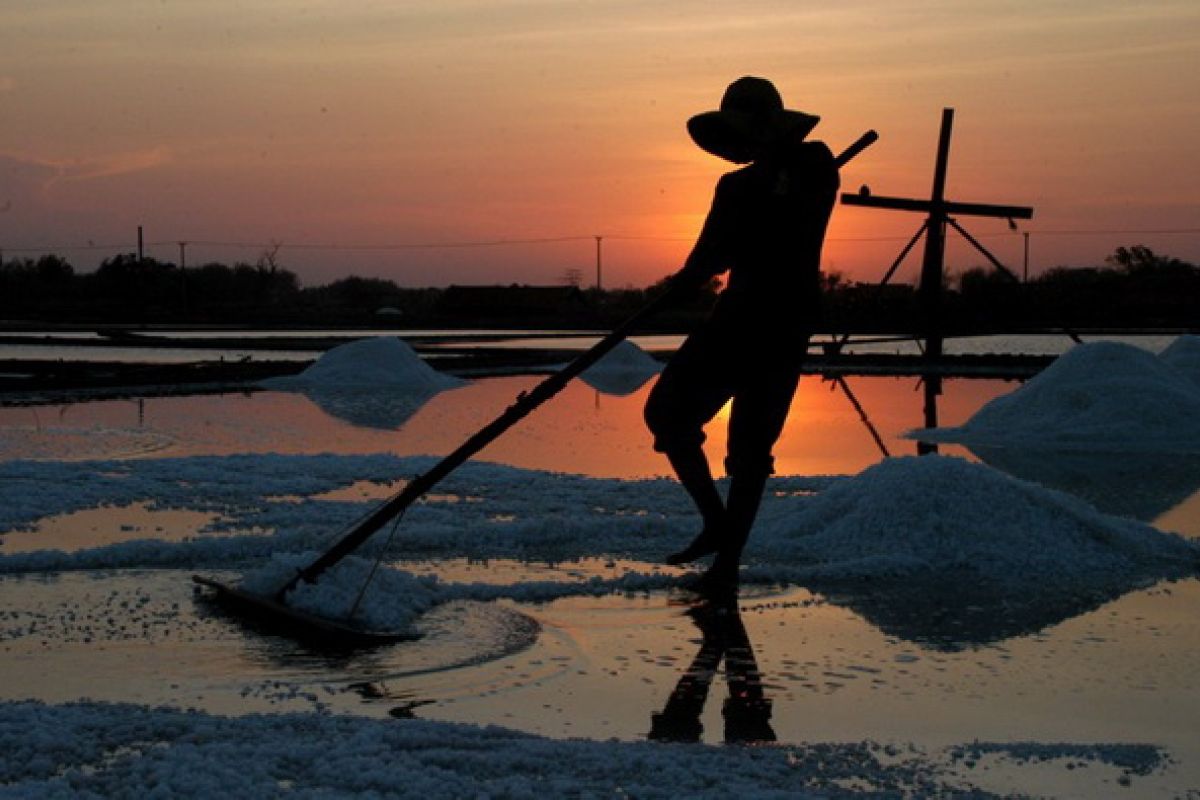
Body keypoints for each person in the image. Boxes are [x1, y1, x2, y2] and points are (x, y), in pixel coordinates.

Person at [644, 76, 839, 594]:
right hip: (734, 319)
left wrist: (770, 187)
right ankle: (715, 522)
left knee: (750, 448)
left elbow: (794, 204)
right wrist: (673, 291)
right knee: (666, 413)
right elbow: (709, 256)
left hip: (784, 323)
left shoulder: (813, 165)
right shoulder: (734, 187)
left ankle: (726, 565)